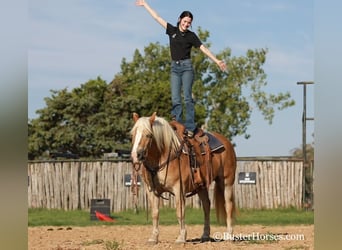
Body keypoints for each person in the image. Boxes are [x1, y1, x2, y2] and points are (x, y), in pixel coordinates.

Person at [136, 0, 227, 138]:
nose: (186, 24)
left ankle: (190, 126)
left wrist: (217, 61)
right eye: (184, 21)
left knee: (187, 98)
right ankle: (177, 124)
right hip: (175, 67)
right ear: (179, 20)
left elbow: (203, 49)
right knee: (175, 98)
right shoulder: (172, 30)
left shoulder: (191, 36)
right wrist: (145, 5)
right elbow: (157, 17)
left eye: (188, 23)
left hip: (186, 67)